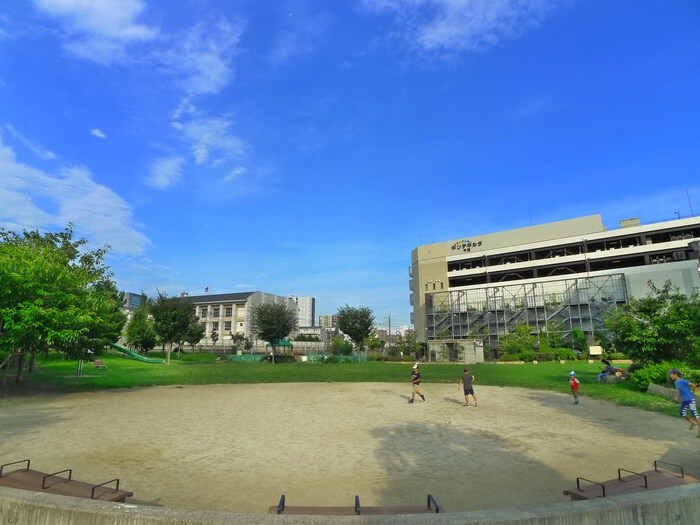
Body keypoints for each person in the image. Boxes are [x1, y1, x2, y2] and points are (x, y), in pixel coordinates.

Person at [668, 369, 700, 436]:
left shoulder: (683, 381)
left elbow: (693, 385)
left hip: (690, 400)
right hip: (684, 401)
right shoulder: (675, 382)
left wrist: (693, 393)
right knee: (682, 413)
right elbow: (680, 390)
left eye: (671, 374)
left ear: (675, 374)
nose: (670, 375)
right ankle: (692, 423)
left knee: (695, 414)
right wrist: (678, 396)